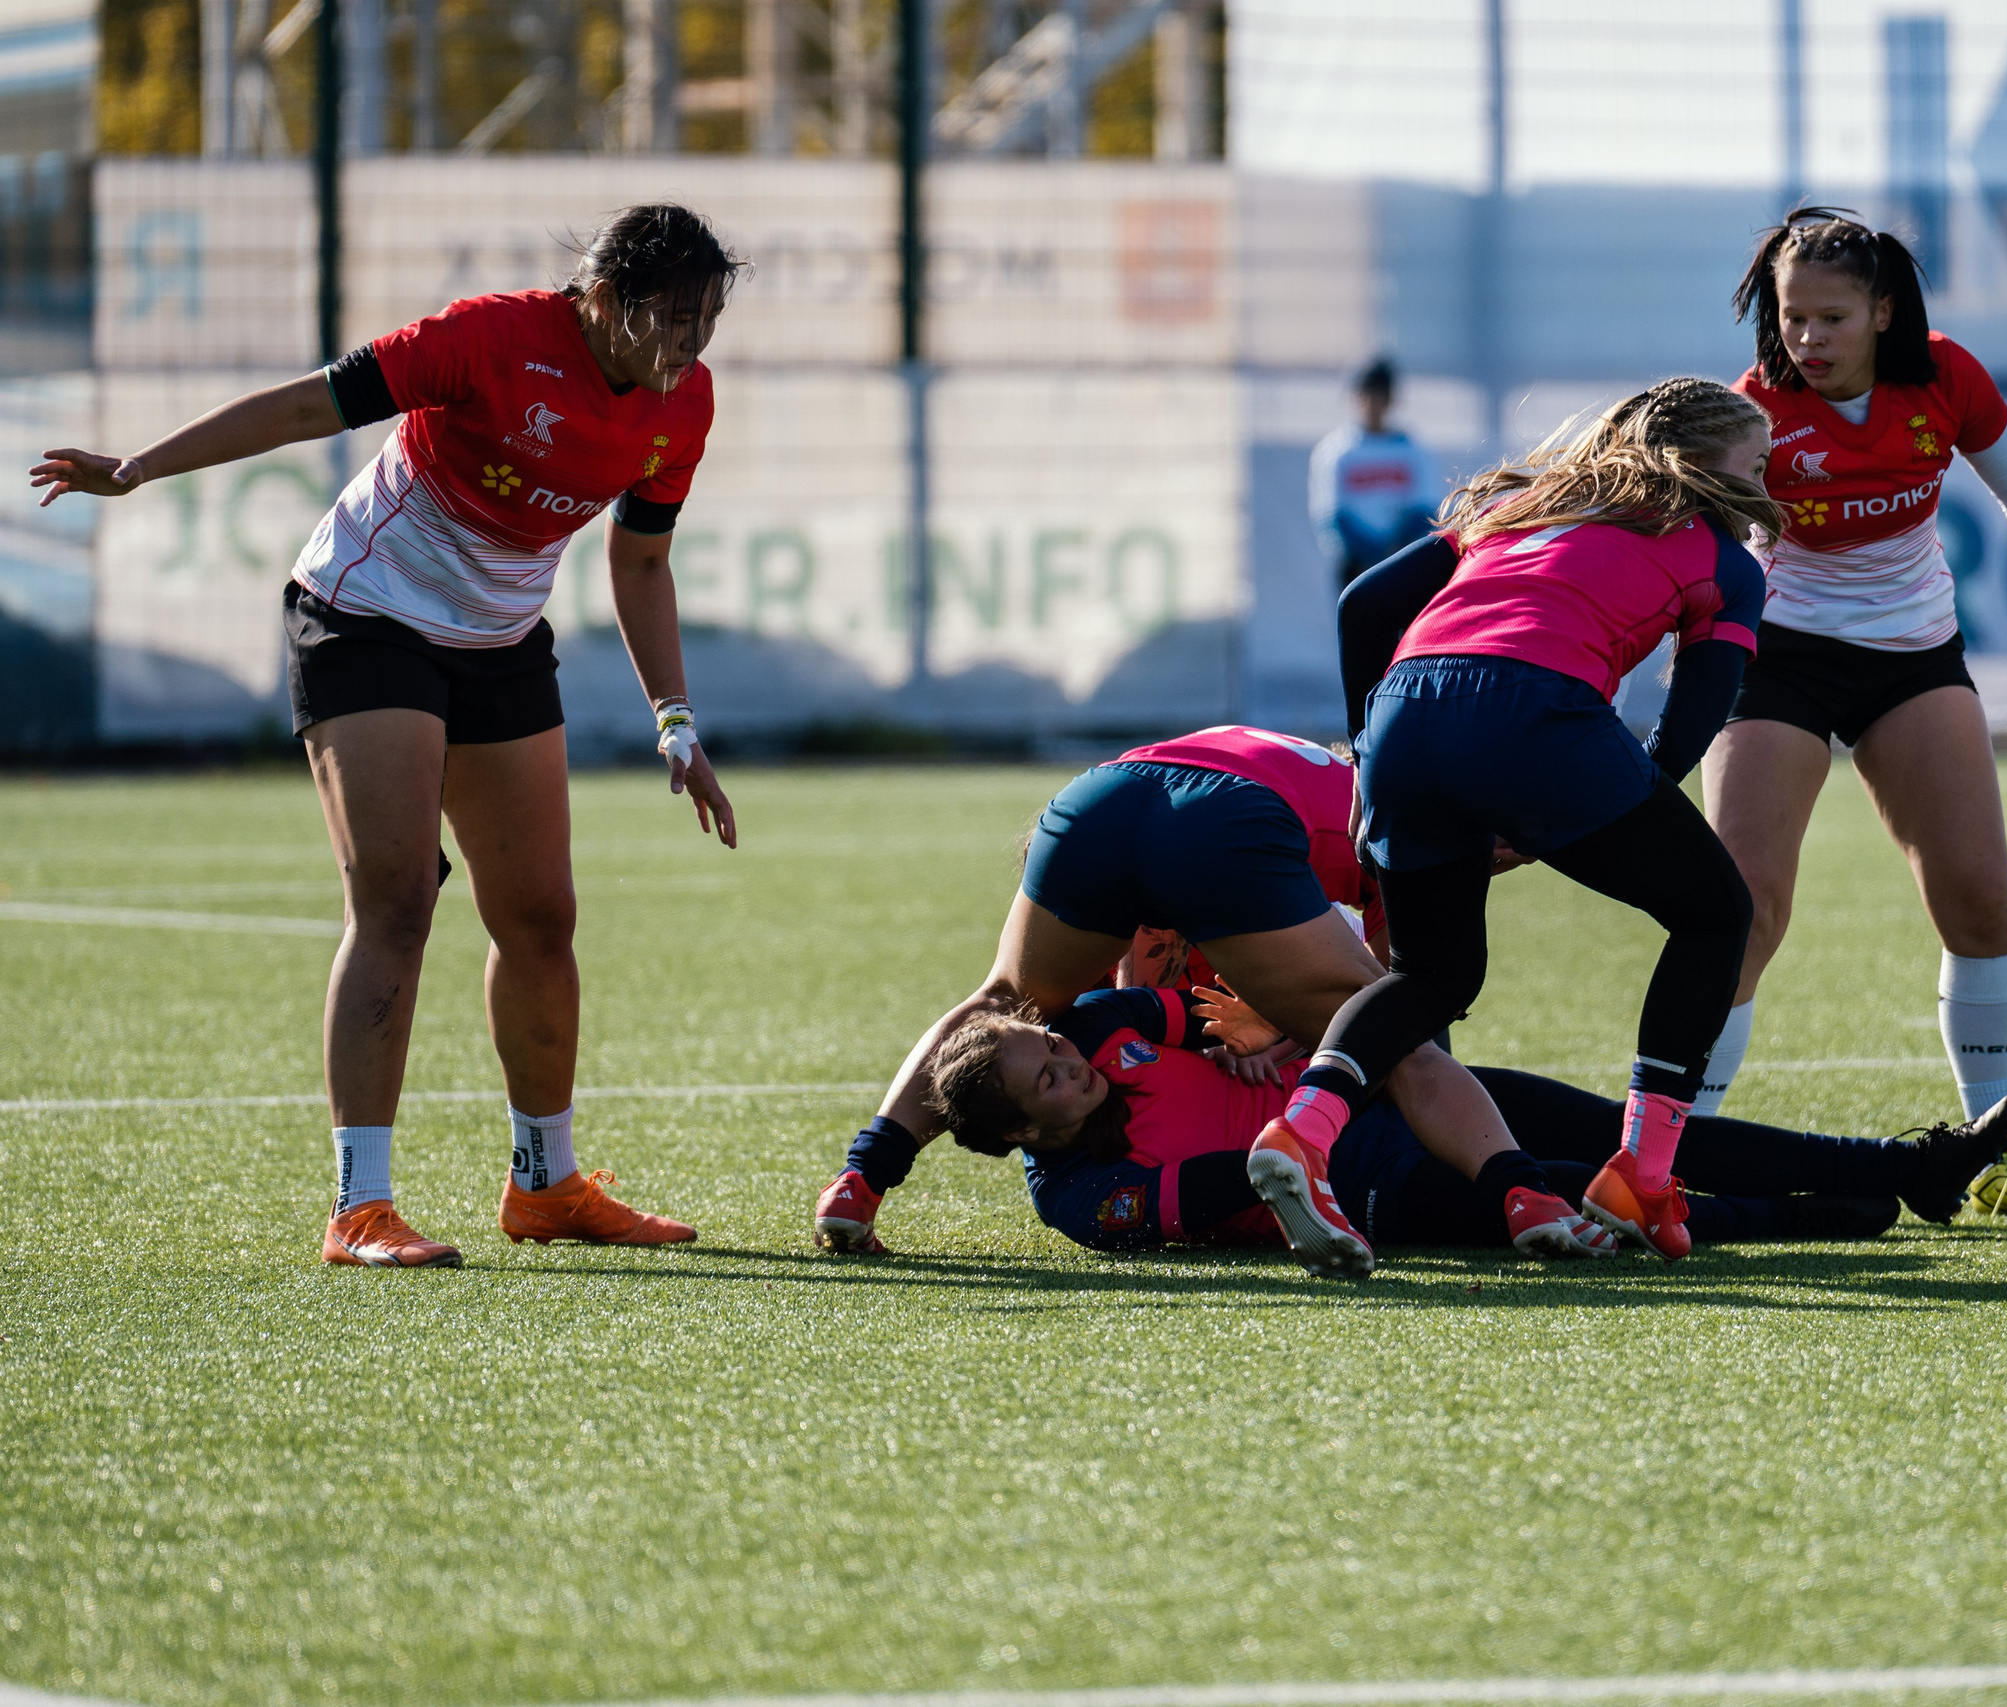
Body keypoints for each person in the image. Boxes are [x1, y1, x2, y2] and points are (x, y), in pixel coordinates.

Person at [29, 204, 743, 1267]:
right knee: (400, 900)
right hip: (365, 618)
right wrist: (135, 470)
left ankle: (544, 1185)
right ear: (602, 298)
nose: (688, 347)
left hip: (499, 640)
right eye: (670, 320)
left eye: (706, 321)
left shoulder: (683, 408)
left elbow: (639, 564)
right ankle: (360, 1206)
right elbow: (307, 409)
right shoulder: (489, 338)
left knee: (541, 917)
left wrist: (674, 721)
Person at [1269, 376, 1779, 1266]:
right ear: (1706, 464)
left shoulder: (1523, 506)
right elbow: (1693, 719)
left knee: (1435, 973)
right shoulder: (1720, 557)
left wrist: (1367, 757)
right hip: (1537, 715)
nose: (1769, 477)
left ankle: (1303, 1130)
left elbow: (1364, 609)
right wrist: (1618, 791)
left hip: (1403, 714)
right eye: (1758, 459)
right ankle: (1644, 1171)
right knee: (1717, 913)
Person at [811, 724, 1612, 1277]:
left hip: (1099, 796)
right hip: (1218, 822)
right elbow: (1392, 1029)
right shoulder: (1403, 839)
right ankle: (1527, 1196)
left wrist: (1261, 1025)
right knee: (1404, 1048)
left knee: (1004, 998)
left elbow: (1153, 1009)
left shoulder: (1345, 778)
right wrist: (1282, 1031)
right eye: (1507, 851)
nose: (1504, 861)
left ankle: (862, 1179)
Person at [1702, 207, 2007, 1215]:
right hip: (1779, 662)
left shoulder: (1946, 378)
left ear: (1884, 312)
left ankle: (1995, 1155)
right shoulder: (1753, 414)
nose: (1808, 339)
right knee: (1741, 907)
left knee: (1977, 895)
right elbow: (1699, 550)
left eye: (1831, 318)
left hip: (1912, 660)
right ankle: (1669, 1153)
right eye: (1793, 319)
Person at [924, 986, 2007, 1255]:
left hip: (1388, 1091)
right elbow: (1239, 1184)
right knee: (1564, 1180)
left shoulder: (1107, 1031)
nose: (1072, 1060)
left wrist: (1261, 1019)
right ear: (1024, 1136)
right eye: (1049, 1081)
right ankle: (1807, 1219)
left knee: (1633, 1130)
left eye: (1055, 1047)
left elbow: (1224, 997)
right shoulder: (1080, 1200)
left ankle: (1903, 1164)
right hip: (1375, 1190)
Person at [1309, 357, 1441, 591]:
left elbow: (1425, 508)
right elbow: (1332, 516)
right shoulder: (1337, 451)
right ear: (1354, 397)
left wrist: (1396, 550)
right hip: (1356, 564)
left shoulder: (1412, 450)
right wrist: (1373, 553)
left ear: (1391, 399)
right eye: (1366, 394)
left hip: (1402, 561)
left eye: (1380, 395)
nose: (1372, 403)